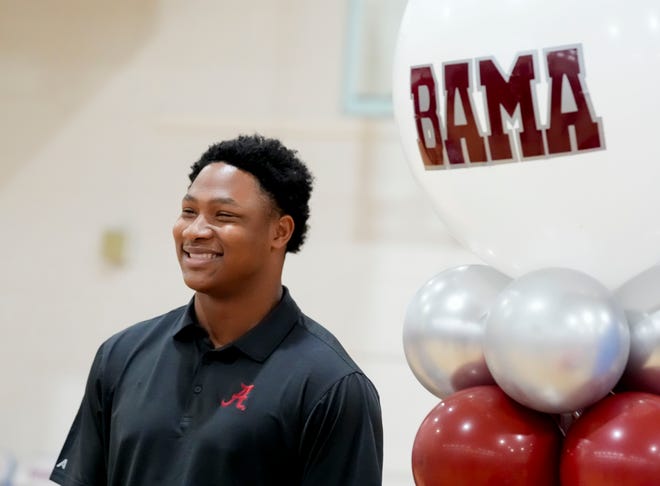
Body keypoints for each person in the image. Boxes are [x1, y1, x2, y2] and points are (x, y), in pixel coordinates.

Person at [50, 134, 383, 486]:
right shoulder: (120, 356)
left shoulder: (331, 386)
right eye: (188, 211)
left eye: (224, 215)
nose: (195, 231)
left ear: (280, 232)